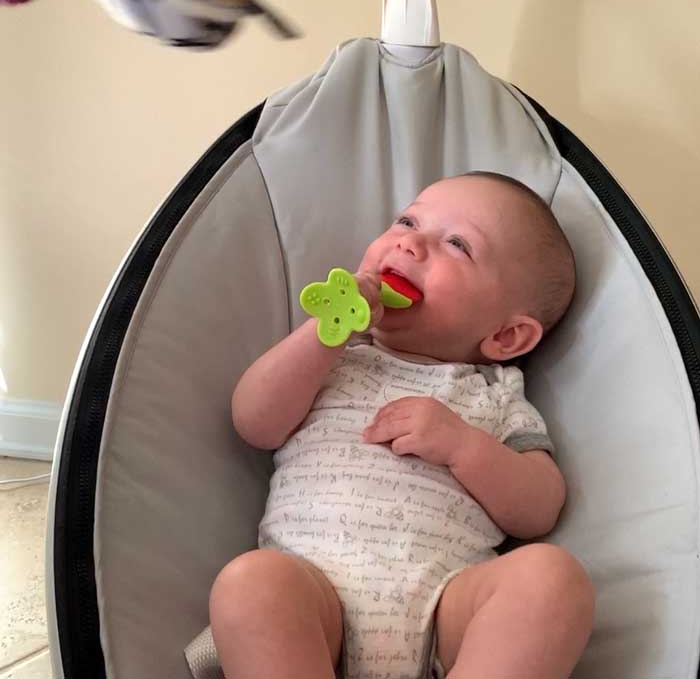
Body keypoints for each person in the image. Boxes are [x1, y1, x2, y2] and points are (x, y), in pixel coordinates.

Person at [208, 171, 596, 679]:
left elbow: (540, 507)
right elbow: (254, 421)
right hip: (313, 607)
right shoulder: (335, 360)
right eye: (407, 220)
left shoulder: (495, 394)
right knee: (249, 584)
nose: (410, 243)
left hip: (444, 615)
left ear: (505, 335)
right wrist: (323, 338)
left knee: (552, 578)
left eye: (458, 244)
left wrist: (463, 446)